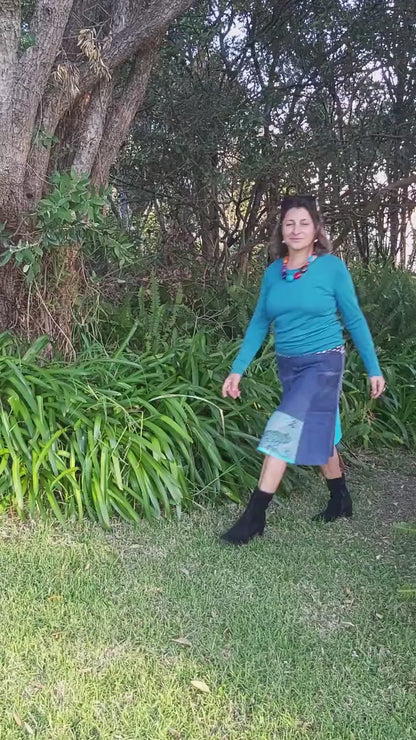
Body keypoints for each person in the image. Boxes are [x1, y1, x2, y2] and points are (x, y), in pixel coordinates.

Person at [221, 194, 385, 545]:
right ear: (281, 230)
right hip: (290, 366)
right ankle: (340, 497)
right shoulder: (273, 273)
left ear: (316, 230)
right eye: (289, 223)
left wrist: (374, 368)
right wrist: (238, 369)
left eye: (304, 223)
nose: (296, 229)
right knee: (320, 428)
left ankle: (254, 516)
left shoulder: (331, 268)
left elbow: (354, 319)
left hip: (324, 361)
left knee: (285, 425)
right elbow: (259, 323)